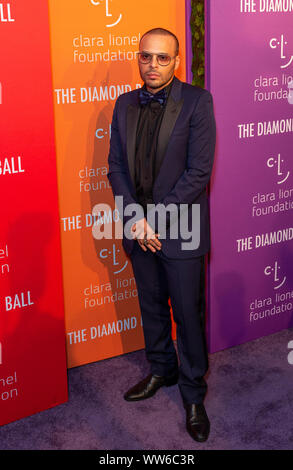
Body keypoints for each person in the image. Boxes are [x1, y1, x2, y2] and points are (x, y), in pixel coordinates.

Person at [107, 28, 216, 443]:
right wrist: (135, 219)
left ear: (177, 61)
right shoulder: (123, 104)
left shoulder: (197, 102)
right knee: (151, 307)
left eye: (162, 58)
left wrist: (157, 220)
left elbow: (198, 173)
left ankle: (193, 394)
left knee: (187, 315)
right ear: (139, 58)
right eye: (146, 57)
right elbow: (115, 166)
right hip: (139, 228)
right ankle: (161, 370)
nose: (152, 65)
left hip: (180, 229)